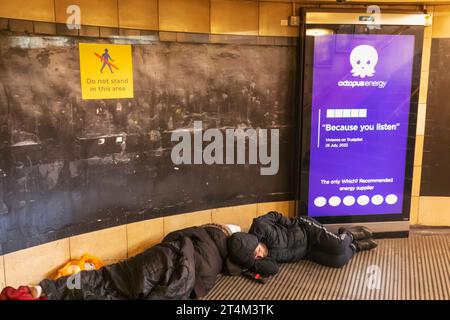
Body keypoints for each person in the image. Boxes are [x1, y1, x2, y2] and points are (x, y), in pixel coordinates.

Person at [3, 223, 242, 300]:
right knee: (110, 293)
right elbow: (195, 290)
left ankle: (47, 288)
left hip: (157, 259)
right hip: (168, 282)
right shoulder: (216, 266)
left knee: (100, 277)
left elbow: (172, 236)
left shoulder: (200, 233)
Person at [228, 211, 377, 277]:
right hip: (305, 252)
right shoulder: (262, 260)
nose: (260, 255)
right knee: (338, 260)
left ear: (255, 240)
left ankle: (349, 233)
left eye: (257, 250)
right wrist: (252, 264)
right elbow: (273, 270)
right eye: (256, 257)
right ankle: (356, 246)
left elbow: (275, 215)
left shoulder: (260, 226)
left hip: (306, 229)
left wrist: (292, 224)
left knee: (338, 246)